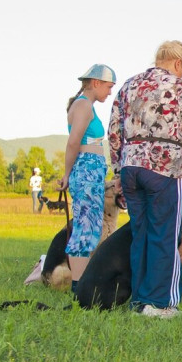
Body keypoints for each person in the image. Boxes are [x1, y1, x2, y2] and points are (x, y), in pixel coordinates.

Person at [109, 40, 182, 318]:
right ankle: (161, 303)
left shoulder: (128, 85)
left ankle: (139, 299)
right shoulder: (181, 87)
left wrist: (118, 169)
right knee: (165, 234)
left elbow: (114, 131)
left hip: (131, 165)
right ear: (178, 63)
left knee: (141, 234)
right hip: (166, 166)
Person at [59, 64, 116, 295]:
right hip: (86, 171)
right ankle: (78, 287)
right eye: (108, 87)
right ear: (95, 83)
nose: (110, 92)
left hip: (91, 171)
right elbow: (73, 142)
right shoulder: (83, 105)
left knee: (90, 226)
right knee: (85, 227)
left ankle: (81, 284)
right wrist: (67, 172)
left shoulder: (84, 104)